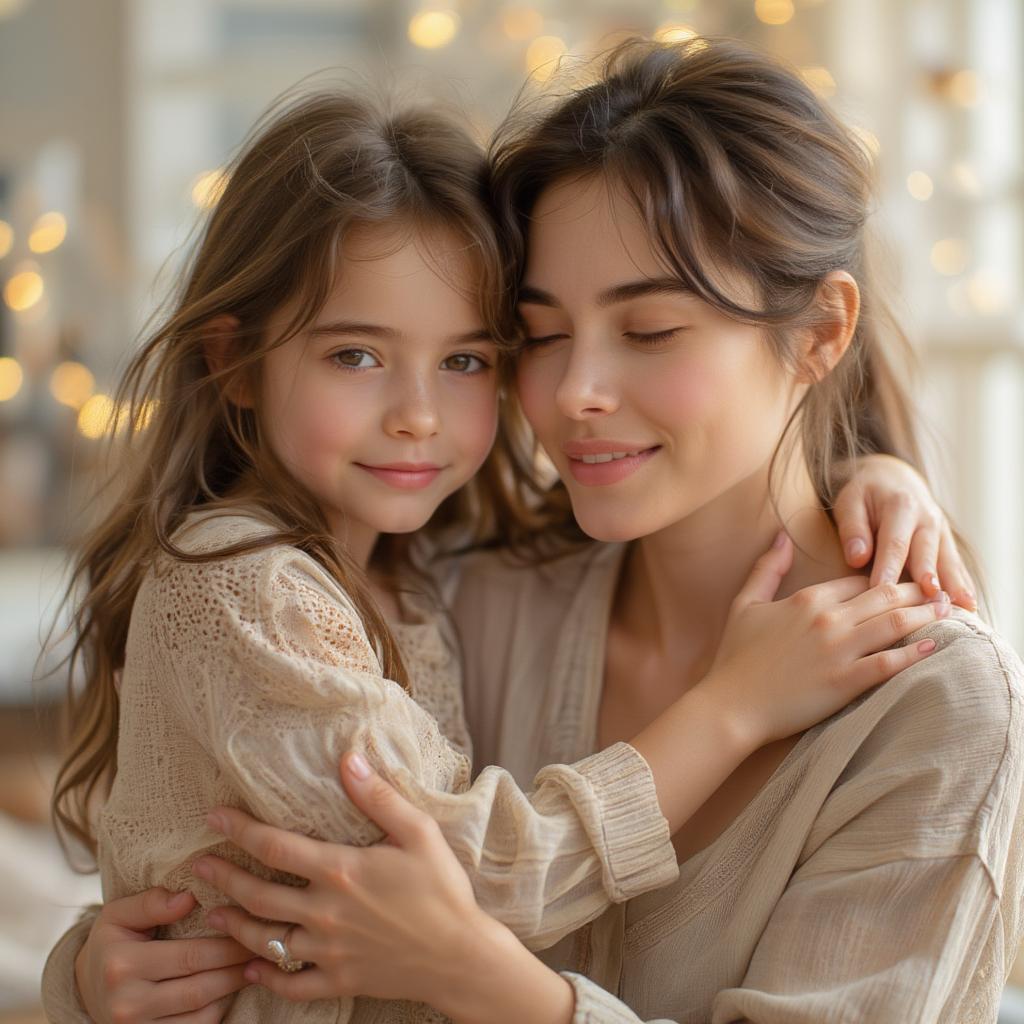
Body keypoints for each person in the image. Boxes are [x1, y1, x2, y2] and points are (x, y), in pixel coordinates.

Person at [45, 57, 984, 1024]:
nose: (575, 392)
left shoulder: (935, 702)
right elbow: (222, 860)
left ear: (822, 333)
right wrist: (83, 976)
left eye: (651, 329)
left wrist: (488, 985)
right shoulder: (459, 591)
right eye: (539, 336)